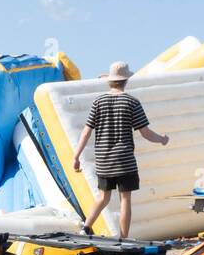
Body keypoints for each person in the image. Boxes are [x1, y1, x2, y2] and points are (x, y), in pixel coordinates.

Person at [73, 61, 170, 236]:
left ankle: (86, 227)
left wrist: (76, 156)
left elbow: (86, 131)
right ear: (126, 80)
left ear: (110, 80)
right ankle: (124, 237)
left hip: (103, 160)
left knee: (103, 197)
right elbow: (146, 133)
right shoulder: (132, 102)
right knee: (125, 199)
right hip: (124, 160)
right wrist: (162, 139)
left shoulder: (98, 102)